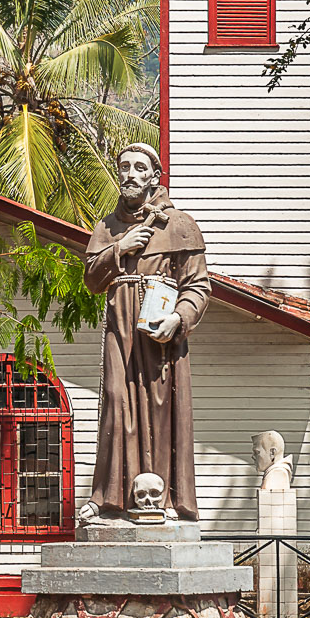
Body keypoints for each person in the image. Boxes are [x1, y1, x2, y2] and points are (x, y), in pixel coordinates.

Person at [78, 143, 210, 522]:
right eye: (124, 167)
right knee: (115, 402)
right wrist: (118, 248)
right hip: (120, 333)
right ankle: (108, 498)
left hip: (159, 338)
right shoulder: (107, 227)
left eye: (140, 167)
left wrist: (179, 319)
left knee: (159, 409)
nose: (131, 174)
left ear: (154, 176)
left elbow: (198, 287)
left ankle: (164, 500)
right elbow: (91, 279)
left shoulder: (179, 225)